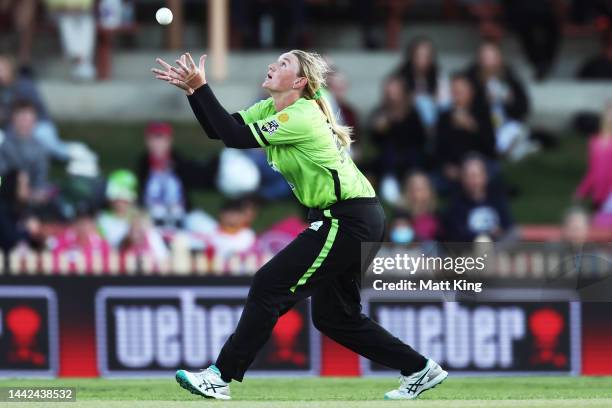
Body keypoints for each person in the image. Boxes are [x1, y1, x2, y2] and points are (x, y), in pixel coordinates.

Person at [152, 50, 447, 400]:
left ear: (299, 82)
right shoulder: (270, 108)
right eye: (275, 62)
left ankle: (220, 376)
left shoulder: (302, 115)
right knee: (335, 317)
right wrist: (194, 92)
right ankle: (419, 368)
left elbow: (233, 135)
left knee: (268, 284)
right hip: (353, 218)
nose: (272, 66)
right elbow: (222, 131)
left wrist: (202, 87)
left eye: (283, 64)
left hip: (347, 218)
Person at [465, 42, 533, 161]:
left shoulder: (510, 78)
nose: (489, 64)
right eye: (485, 58)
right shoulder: (470, 80)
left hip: (506, 124)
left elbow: (523, 108)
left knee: (517, 131)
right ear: (479, 60)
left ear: (500, 59)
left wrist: (510, 101)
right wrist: (485, 100)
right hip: (483, 127)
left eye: (493, 58)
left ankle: (510, 150)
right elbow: (467, 107)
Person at [368, 75, 427, 201]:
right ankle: (390, 186)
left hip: (411, 158)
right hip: (387, 161)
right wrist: (378, 129)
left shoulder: (413, 114)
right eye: (390, 92)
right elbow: (374, 140)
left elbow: (421, 139)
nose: (393, 96)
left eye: (396, 91)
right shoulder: (380, 113)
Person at [435, 73, 496, 185]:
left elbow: (491, 148)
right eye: (454, 92)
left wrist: (473, 127)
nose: (457, 95)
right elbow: (439, 148)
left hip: (479, 164)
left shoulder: (482, 113)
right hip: (454, 165)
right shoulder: (444, 116)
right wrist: (447, 166)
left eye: (461, 91)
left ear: (471, 92)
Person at [443, 154, 516, 242]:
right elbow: (457, 234)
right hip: (471, 251)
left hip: (499, 248)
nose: (474, 181)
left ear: (485, 177)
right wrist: (485, 235)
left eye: (477, 175)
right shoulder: (455, 206)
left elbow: (508, 226)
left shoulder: (497, 201)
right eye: (469, 176)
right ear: (462, 179)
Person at [574, 103, 612, 210]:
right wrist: (582, 190)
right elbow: (593, 170)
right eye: (609, 114)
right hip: (599, 194)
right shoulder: (594, 141)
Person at [389, 172, 440, 244]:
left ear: (430, 191)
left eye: (421, 188)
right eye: (413, 188)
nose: (417, 193)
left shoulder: (438, 218)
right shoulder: (399, 217)